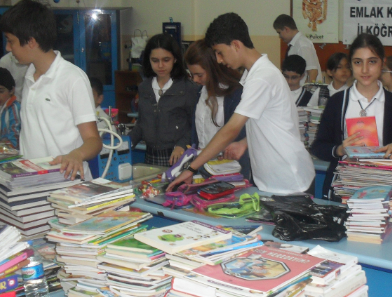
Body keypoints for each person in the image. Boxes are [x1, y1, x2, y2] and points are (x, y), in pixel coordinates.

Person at [168, 12, 314, 195]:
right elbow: (269, 122)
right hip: (271, 180)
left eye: (220, 53)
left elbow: (231, 129)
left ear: (236, 45)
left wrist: (191, 168)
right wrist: (245, 142)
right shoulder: (252, 76)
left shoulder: (262, 77)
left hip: (290, 180)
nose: (219, 60)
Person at [0, 0, 101, 179]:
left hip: (67, 184)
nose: (8, 48)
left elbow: (93, 141)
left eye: (11, 41)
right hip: (33, 182)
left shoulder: (72, 78)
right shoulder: (29, 76)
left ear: (31, 41)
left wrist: (77, 154)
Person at [310, 33, 392, 201]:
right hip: (343, 190)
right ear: (351, 65)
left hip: (381, 190)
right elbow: (318, 147)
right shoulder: (337, 102)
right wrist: (340, 149)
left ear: (382, 62)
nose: (365, 69)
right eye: (358, 62)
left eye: (372, 62)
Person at [128, 34, 199, 167]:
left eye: (166, 60)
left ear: (175, 59)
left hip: (178, 156)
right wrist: (126, 143)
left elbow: (195, 125)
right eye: (155, 60)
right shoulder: (144, 87)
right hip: (151, 156)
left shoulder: (188, 88)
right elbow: (142, 124)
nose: (160, 65)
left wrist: (181, 145)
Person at [184, 39, 251, 179]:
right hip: (202, 168)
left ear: (214, 69)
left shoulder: (237, 94)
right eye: (192, 75)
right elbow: (196, 134)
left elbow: (235, 135)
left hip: (229, 171)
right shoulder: (199, 94)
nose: (195, 80)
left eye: (199, 75)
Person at [272, 14, 320, 84]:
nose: (279, 36)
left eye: (279, 32)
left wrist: (306, 92)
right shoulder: (295, 45)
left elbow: (312, 71)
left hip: (304, 91)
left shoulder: (303, 45)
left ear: (286, 29)